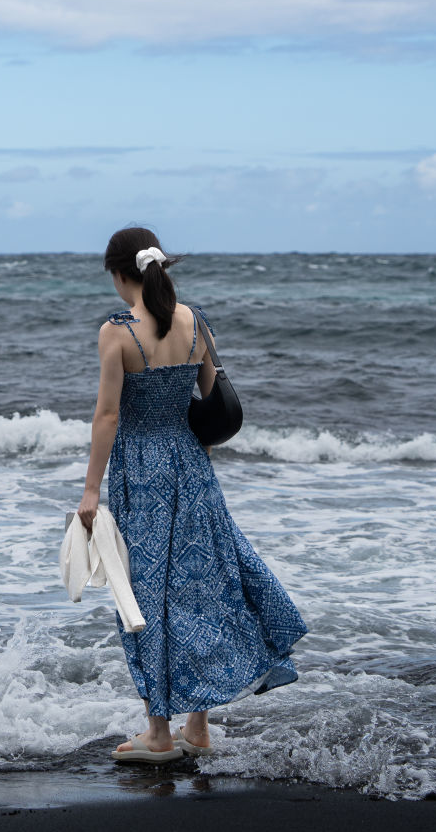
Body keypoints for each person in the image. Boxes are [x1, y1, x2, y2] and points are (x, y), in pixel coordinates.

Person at [77, 227, 307, 763]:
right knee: (201, 588)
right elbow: (212, 397)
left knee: (147, 598)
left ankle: (159, 735)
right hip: (193, 467)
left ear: (118, 273)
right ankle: (197, 728)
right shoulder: (195, 320)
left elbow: (108, 415)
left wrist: (90, 492)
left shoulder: (116, 333)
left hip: (142, 473)